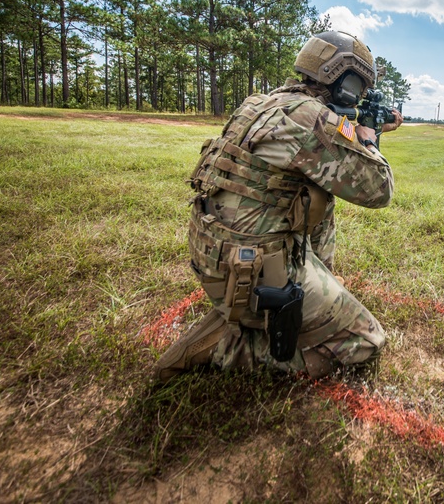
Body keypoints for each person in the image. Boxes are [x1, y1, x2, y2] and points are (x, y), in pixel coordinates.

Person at [154, 30, 403, 382]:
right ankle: (226, 344)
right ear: (345, 83)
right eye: (358, 88)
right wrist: (369, 139)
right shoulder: (314, 120)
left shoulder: (261, 102)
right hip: (246, 270)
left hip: (211, 251)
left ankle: (293, 297)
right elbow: (380, 190)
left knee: (317, 192)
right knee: (365, 340)